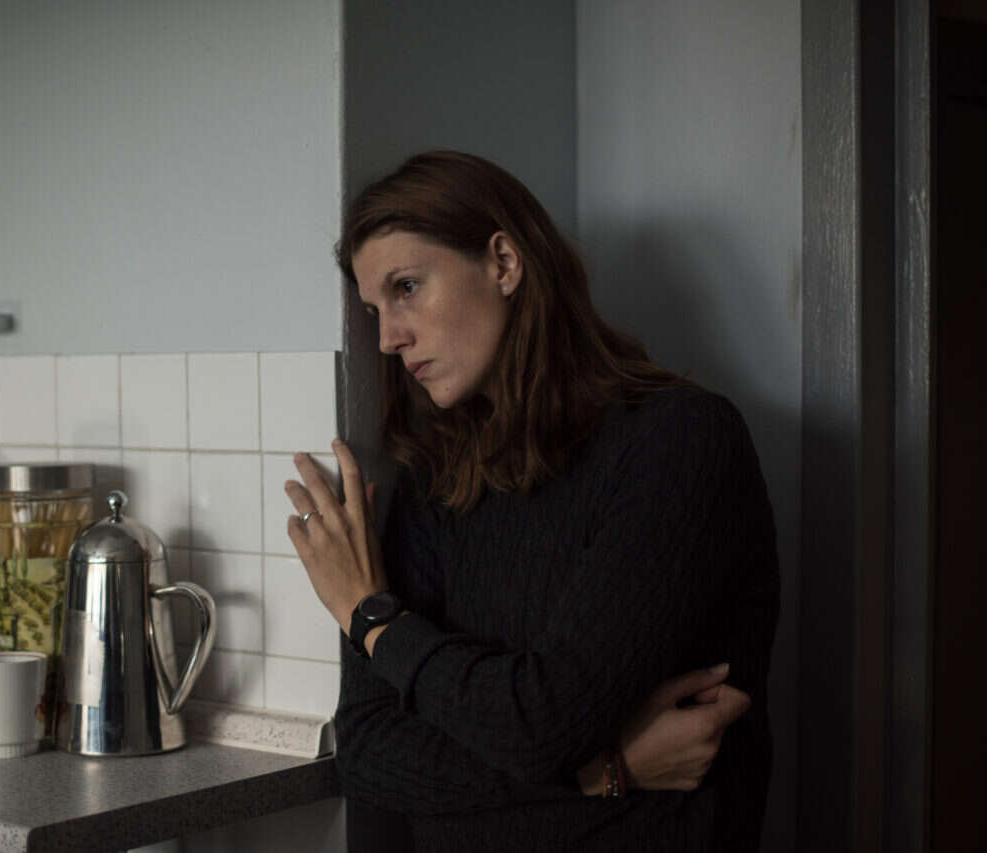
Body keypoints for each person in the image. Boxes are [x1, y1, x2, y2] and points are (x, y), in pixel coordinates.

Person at [283, 151, 779, 851]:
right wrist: (607, 769)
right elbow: (367, 752)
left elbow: (544, 724)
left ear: (504, 263)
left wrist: (372, 615)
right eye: (375, 310)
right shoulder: (437, 476)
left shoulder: (682, 443)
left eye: (407, 288)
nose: (389, 338)